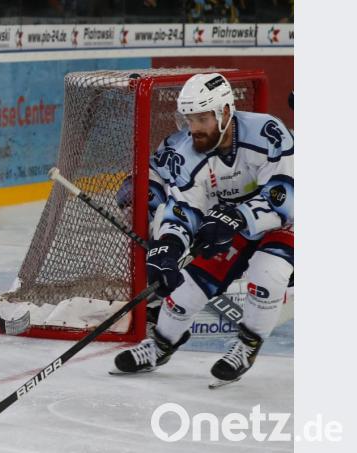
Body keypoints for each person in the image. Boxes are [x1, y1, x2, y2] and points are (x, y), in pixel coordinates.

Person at [111, 73, 294, 387]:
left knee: (268, 271)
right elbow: (185, 207)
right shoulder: (186, 151)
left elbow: (285, 196)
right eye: (189, 119)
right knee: (187, 287)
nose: (194, 127)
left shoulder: (267, 132)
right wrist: (169, 246)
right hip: (232, 222)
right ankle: (161, 345)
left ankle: (247, 345)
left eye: (202, 118)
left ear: (226, 112)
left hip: (288, 220)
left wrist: (237, 216)